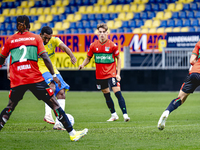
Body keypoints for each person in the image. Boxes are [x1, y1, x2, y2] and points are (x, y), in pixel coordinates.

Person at [0, 15, 88, 141]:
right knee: (53, 102)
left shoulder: (10, 40)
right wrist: (53, 75)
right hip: (35, 77)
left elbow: (3, 58)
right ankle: (72, 133)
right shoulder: (35, 38)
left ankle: (56, 122)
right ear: (29, 26)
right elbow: (45, 58)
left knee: (10, 107)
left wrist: (9, 70)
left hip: (18, 79)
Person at [79, 23, 130, 122]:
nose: (102, 34)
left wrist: (118, 73)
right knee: (106, 94)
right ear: (98, 33)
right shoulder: (93, 45)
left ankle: (125, 115)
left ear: (107, 33)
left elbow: (118, 59)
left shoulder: (112, 45)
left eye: (104, 32)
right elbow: (88, 58)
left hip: (111, 73)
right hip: (100, 75)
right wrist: (83, 65)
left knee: (117, 92)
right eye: (100, 32)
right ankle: (114, 115)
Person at [38, 26, 77, 130]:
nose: (47, 40)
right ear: (40, 34)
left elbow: (64, 47)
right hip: (41, 69)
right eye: (45, 38)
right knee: (52, 87)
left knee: (61, 93)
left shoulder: (54, 40)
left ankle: (58, 123)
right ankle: (47, 114)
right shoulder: (35, 42)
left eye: (48, 38)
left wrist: (71, 55)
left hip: (53, 70)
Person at [157, 41, 200, 130]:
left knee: (180, 98)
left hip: (194, 73)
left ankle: (166, 112)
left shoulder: (199, 43)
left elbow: (192, 60)